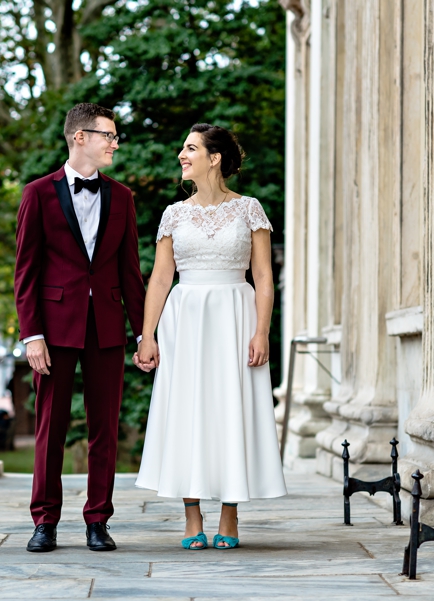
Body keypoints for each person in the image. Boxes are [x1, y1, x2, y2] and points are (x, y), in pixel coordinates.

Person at [133, 124, 287, 550]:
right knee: (189, 410)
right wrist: (147, 336)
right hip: (185, 319)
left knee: (231, 409)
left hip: (236, 316)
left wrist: (261, 331)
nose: (182, 154)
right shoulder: (173, 214)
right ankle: (191, 516)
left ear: (214, 158)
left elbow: (262, 276)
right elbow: (161, 279)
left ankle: (230, 514)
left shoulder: (250, 209)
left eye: (191, 148)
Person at [14, 103, 146, 552]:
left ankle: (97, 520)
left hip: (107, 327)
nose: (114, 143)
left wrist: (144, 333)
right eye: (108, 135)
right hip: (52, 331)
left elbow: (132, 273)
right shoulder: (37, 194)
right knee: (51, 427)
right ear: (79, 137)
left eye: (114, 136)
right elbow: (26, 272)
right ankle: (44, 521)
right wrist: (31, 335)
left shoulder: (123, 198)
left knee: (103, 430)